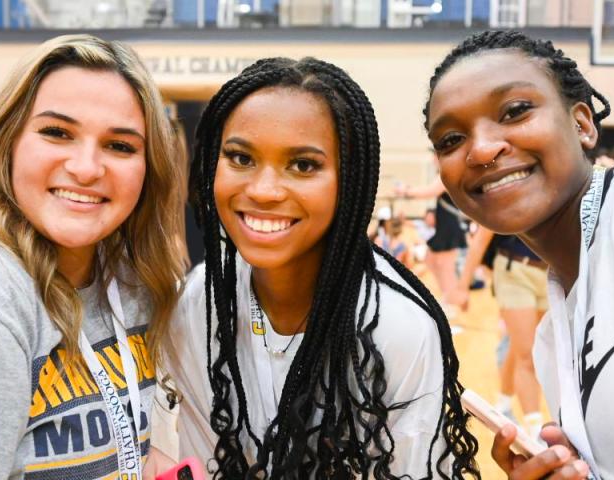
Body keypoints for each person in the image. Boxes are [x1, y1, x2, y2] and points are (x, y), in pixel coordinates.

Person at [145, 57, 479, 479]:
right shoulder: (196, 304)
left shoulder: (398, 326)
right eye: (241, 158)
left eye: (303, 165)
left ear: (350, 178)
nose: (264, 190)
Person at [0, 34, 187, 479]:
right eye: (57, 133)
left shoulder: (135, 281)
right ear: (8, 142)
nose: (86, 168)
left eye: (120, 145)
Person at [425, 30, 614, 479]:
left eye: (515, 111)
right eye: (450, 139)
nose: (481, 149)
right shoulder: (553, 340)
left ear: (582, 124)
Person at [454, 227, 548, 439]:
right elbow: (480, 239)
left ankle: (503, 405)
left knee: (520, 347)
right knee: (528, 354)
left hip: (549, 272)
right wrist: (462, 286)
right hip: (514, 270)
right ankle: (536, 432)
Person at [397, 166, 468, 318]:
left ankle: (450, 304)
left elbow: (431, 191)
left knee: (446, 267)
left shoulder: (447, 173)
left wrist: (406, 191)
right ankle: (447, 298)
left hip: (449, 226)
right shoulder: (442, 174)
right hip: (442, 225)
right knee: (430, 261)